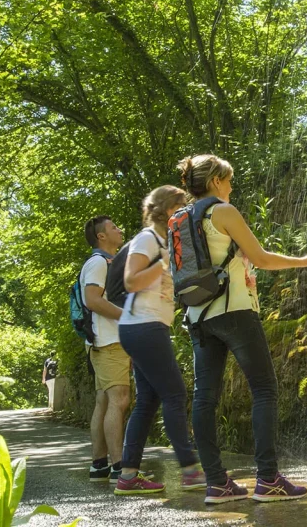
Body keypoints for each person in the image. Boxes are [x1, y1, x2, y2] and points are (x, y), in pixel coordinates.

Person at [177, 154, 307, 504]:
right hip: (233, 310)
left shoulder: (181, 217)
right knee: (264, 389)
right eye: (228, 180)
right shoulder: (222, 211)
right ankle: (268, 478)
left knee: (204, 399)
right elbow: (260, 259)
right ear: (215, 180)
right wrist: (305, 261)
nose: (231, 187)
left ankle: (216, 482)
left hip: (198, 316)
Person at [114, 185, 206, 495]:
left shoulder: (161, 241)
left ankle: (128, 475)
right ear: (168, 210)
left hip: (141, 326)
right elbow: (130, 281)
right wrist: (163, 262)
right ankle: (191, 470)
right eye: (181, 208)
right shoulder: (146, 239)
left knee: (149, 400)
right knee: (175, 394)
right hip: (143, 326)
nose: (185, 214)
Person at [80, 216, 129, 482]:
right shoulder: (99, 262)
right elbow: (92, 300)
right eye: (114, 227)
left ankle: (99, 464)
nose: (119, 230)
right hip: (109, 341)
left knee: (104, 401)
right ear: (101, 237)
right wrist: (128, 315)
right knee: (120, 400)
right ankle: (120, 467)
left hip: (102, 341)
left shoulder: (106, 262)